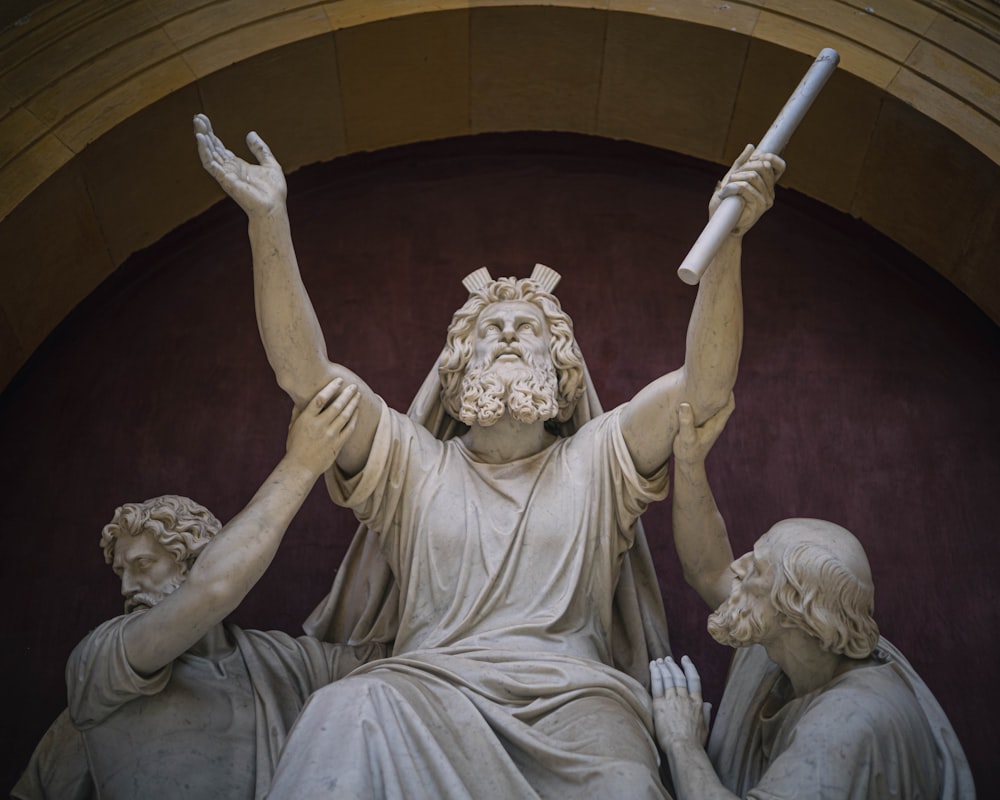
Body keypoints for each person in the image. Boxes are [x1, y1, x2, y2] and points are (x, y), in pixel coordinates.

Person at [194, 112, 784, 799]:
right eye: (488, 330)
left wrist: (728, 246)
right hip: (425, 690)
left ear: (564, 371)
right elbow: (306, 376)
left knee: (624, 784)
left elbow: (704, 387)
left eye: (527, 329)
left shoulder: (597, 460)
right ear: (455, 369)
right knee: (343, 709)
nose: (506, 331)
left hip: (575, 702)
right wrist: (268, 222)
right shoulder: (413, 465)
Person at [39, 379, 384, 800]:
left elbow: (400, 662)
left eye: (143, 564)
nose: (128, 585)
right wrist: (302, 462)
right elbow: (212, 591)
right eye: (120, 570)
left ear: (196, 561)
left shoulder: (287, 662)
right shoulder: (101, 661)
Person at [650, 399, 975, 799]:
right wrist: (688, 463)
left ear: (795, 609)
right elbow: (709, 569)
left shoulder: (849, 724)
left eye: (756, 568)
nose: (737, 570)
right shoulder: (783, 647)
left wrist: (682, 742)